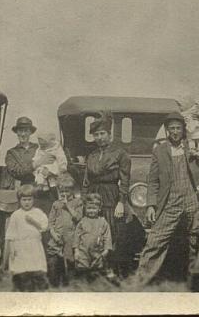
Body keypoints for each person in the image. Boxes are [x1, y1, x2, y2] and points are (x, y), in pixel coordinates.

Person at [135, 111, 199, 285]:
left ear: (184, 129)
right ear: (167, 130)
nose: (175, 132)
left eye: (178, 128)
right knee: (155, 240)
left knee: (197, 240)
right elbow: (153, 180)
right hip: (170, 201)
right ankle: (140, 283)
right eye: (172, 129)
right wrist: (151, 205)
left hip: (194, 198)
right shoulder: (160, 150)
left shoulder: (193, 144)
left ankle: (198, 281)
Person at [82, 111, 131, 277]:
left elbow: (125, 180)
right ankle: (94, 267)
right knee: (92, 229)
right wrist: (84, 201)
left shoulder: (120, 153)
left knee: (111, 231)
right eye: (96, 134)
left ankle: (111, 269)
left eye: (102, 133)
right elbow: (86, 181)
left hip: (111, 195)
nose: (99, 137)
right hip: (93, 195)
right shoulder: (92, 155)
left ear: (109, 134)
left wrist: (121, 202)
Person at [3, 184, 49, 291]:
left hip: (34, 246)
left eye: (29, 199)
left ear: (34, 199)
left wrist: (33, 222)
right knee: (22, 271)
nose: (27, 202)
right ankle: (22, 289)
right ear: (19, 200)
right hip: (21, 246)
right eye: (24, 200)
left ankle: (37, 290)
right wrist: (12, 248)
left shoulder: (38, 212)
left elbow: (44, 227)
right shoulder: (16, 215)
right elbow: (11, 234)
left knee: (36, 269)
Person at [5, 116, 54, 213]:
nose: (23, 134)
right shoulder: (12, 153)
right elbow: (15, 172)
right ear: (17, 133)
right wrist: (36, 164)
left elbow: (51, 160)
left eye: (26, 131)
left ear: (30, 132)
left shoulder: (39, 148)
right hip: (26, 194)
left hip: (44, 193)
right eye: (20, 131)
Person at [46, 173, 83, 287]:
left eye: (67, 191)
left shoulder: (78, 202)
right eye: (62, 192)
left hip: (71, 237)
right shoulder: (56, 204)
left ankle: (70, 285)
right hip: (57, 236)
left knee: (70, 261)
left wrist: (68, 206)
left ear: (72, 191)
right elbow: (50, 222)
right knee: (54, 261)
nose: (64, 194)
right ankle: (54, 284)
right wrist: (53, 233)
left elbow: (78, 218)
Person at [73, 193, 112, 283]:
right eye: (89, 208)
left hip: (98, 252)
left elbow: (107, 237)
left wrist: (106, 250)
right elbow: (77, 237)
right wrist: (76, 250)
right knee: (82, 271)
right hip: (83, 252)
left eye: (94, 208)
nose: (91, 211)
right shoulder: (82, 222)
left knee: (97, 271)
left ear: (99, 209)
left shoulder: (103, 222)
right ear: (85, 209)